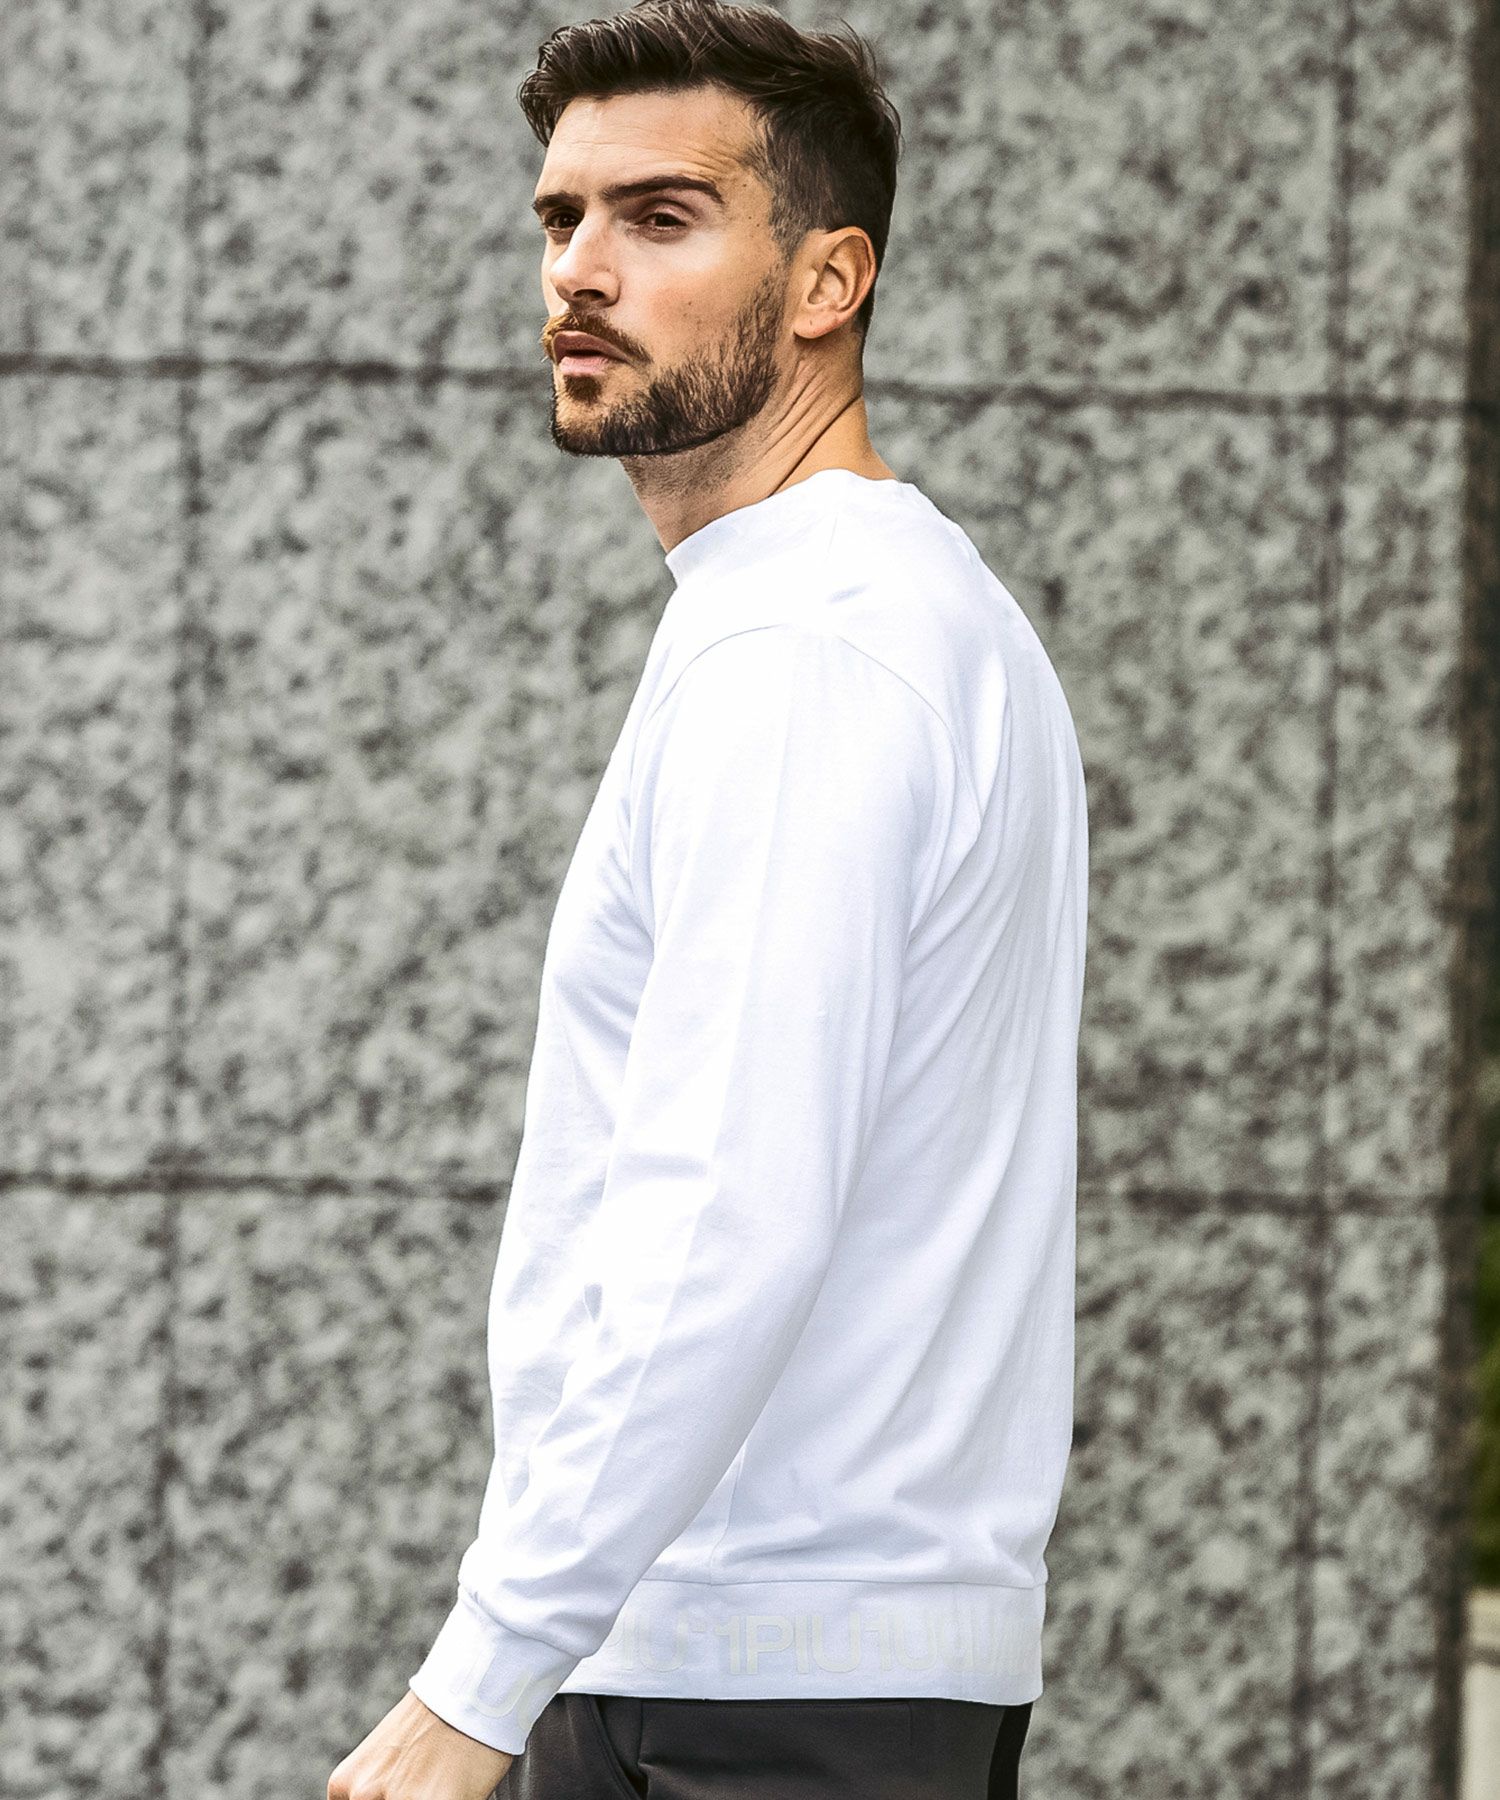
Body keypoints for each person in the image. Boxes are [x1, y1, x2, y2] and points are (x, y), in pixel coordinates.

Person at [328, 2, 1087, 1795]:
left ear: (829, 281)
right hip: (783, 1661)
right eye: (561, 217)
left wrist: (478, 1681)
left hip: (753, 1683)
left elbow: (725, 1207)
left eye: (661, 217)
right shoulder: (873, 610)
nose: (581, 271)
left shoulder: (811, 649)